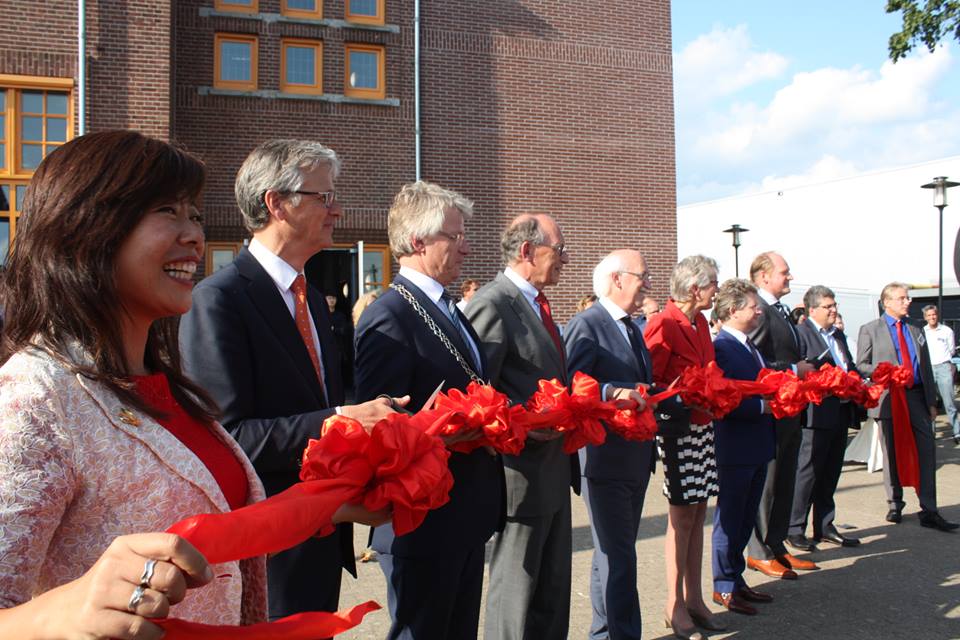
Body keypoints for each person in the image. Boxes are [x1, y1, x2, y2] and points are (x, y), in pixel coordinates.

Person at [0, 131, 268, 636]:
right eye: (167, 210)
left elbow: (224, 525)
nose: (194, 235)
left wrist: (335, 496)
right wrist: (64, 611)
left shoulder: (165, 383)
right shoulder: (33, 398)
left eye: (195, 214)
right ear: (86, 228)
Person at [179, 139, 398, 621]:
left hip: (323, 537)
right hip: (270, 551)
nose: (336, 209)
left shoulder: (313, 299)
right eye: (324, 196)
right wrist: (340, 419)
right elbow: (229, 438)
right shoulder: (219, 301)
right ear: (276, 203)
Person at [354, 181, 504, 640]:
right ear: (418, 242)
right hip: (423, 520)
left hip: (463, 511)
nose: (466, 246)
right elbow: (379, 429)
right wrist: (445, 434)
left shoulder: (447, 308)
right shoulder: (390, 316)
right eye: (455, 237)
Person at [564, 250, 689, 640]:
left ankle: (604, 634)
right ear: (617, 279)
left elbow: (638, 382)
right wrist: (609, 390)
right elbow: (570, 383)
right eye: (643, 276)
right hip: (604, 460)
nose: (648, 284)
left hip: (634, 458)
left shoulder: (632, 327)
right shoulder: (587, 325)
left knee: (611, 557)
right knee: (618, 558)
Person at [465, 213, 578, 640]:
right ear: (527, 251)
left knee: (552, 595)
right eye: (559, 250)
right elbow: (477, 391)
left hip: (554, 469)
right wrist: (525, 421)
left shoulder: (538, 303)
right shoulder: (493, 303)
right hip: (521, 476)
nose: (565, 259)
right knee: (516, 596)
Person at [643, 255, 725, 638]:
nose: (717, 290)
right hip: (678, 431)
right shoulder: (664, 322)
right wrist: (683, 396)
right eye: (713, 284)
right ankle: (673, 604)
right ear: (695, 288)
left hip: (703, 427)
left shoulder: (701, 321)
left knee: (699, 511)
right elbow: (649, 382)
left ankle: (694, 597)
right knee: (682, 517)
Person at [856, 283, 958, 531]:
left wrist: (932, 402)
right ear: (887, 302)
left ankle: (929, 509)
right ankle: (895, 503)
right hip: (890, 399)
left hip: (916, 397)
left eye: (908, 297)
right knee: (891, 453)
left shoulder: (916, 328)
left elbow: (924, 366)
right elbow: (861, 364)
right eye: (902, 298)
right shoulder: (871, 329)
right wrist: (886, 372)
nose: (908, 301)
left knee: (926, 451)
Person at [746, 252, 817, 578]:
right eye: (784, 273)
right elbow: (753, 363)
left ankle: (776, 545)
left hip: (790, 412)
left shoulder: (781, 311)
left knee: (785, 480)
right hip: (771, 412)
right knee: (769, 483)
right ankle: (758, 550)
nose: (790, 277)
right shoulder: (758, 312)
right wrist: (792, 369)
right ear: (763, 277)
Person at [711, 279, 776, 616]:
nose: (759, 310)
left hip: (757, 445)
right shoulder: (722, 348)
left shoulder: (750, 346)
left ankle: (736, 580)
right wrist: (765, 406)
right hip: (736, 447)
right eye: (752, 306)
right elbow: (725, 401)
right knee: (731, 518)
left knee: (746, 518)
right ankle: (723, 584)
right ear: (733, 311)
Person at [786, 286, 861, 553]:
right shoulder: (801, 334)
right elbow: (799, 371)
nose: (833, 310)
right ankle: (795, 527)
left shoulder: (837, 334)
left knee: (831, 471)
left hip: (840, 410)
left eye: (834, 305)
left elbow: (848, 365)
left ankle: (825, 525)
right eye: (828, 306)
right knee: (808, 471)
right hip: (815, 413)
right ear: (813, 309)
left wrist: (856, 379)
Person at [922, 304, 960, 444]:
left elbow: (951, 350)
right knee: (930, 403)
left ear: (937, 315)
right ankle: (931, 434)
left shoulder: (946, 331)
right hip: (929, 369)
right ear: (925, 317)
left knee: (949, 402)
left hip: (944, 367)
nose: (932, 317)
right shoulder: (923, 331)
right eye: (929, 315)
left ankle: (957, 432)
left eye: (934, 314)